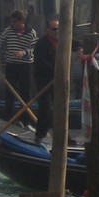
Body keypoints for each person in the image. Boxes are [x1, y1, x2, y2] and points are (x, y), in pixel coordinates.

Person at [0, 9, 37, 119]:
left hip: (25, 66)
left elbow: (35, 49)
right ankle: (9, 118)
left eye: (15, 21)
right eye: (11, 21)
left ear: (22, 21)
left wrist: (23, 53)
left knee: (25, 93)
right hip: (11, 66)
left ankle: (26, 119)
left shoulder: (31, 33)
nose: (12, 24)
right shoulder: (8, 31)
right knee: (9, 94)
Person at [33, 16, 60, 144]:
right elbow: (40, 63)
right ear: (47, 30)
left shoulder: (61, 41)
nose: (57, 31)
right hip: (44, 81)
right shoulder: (41, 44)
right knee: (45, 109)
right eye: (54, 29)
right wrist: (56, 70)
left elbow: (75, 43)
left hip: (58, 81)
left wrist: (78, 49)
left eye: (58, 29)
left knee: (61, 107)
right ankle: (39, 137)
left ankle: (64, 136)